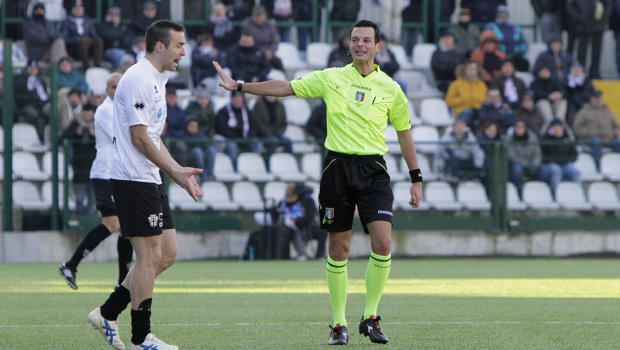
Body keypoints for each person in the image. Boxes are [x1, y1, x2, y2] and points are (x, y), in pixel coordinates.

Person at [213, 19, 423, 345]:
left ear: (378, 46)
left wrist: (416, 177)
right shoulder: (331, 77)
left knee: (382, 243)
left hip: (374, 171)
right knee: (338, 248)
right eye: (355, 40)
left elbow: (404, 134)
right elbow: (284, 87)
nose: (360, 45)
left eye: (367, 40)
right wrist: (239, 85)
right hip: (336, 168)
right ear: (348, 44)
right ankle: (339, 324)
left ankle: (370, 317)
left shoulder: (391, 89)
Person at [87, 20, 203, 350]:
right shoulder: (138, 78)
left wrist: (177, 171)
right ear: (160, 46)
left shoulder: (157, 79)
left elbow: (153, 137)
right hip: (131, 179)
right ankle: (141, 339)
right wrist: (176, 173)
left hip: (150, 177)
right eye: (179, 45)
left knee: (167, 254)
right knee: (149, 258)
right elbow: (139, 138)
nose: (184, 51)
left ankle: (108, 313)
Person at [58, 73, 134, 290]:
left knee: (124, 227)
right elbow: (123, 138)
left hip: (119, 173)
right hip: (105, 173)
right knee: (116, 224)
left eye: (118, 85)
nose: (115, 89)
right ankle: (72, 265)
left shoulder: (124, 108)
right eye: (111, 86)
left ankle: (121, 281)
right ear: (106, 89)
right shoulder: (106, 110)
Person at [272, 182, 328, 260]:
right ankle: (284, 257)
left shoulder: (307, 201)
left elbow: (309, 217)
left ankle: (320, 255)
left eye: (291, 197)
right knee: (286, 231)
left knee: (322, 231)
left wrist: (295, 222)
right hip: (289, 228)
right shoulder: (283, 203)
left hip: (306, 226)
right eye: (287, 197)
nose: (289, 199)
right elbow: (276, 216)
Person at [60, 102, 97, 216]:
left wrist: (95, 135)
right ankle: (80, 221)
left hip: (95, 169)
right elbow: (61, 139)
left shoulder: (99, 125)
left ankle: (88, 222)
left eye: (89, 115)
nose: (86, 118)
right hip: (79, 169)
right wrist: (76, 133)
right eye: (84, 115)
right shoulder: (75, 124)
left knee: (93, 199)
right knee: (79, 199)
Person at [572, 90, 620, 169]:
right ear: (592, 99)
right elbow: (577, 126)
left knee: (618, 143)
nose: (598, 100)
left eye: (600, 98)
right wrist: (588, 133)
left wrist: (613, 133)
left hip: (608, 139)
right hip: (591, 139)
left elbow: (616, 125)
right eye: (596, 98)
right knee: (596, 144)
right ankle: (597, 168)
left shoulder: (607, 110)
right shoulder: (585, 111)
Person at [215, 91, 263, 168]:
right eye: (235, 98)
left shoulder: (247, 111)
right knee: (232, 146)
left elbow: (254, 126)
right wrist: (235, 136)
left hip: (246, 138)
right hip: (231, 139)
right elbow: (221, 128)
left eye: (240, 98)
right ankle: (234, 168)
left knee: (257, 143)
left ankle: (254, 166)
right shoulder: (223, 111)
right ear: (231, 99)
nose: (237, 100)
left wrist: (248, 136)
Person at [566, 0, 612, 79]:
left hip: (598, 25)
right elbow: (570, 5)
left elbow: (608, 4)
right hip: (583, 26)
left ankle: (595, 72)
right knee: (581, 51)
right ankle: (580, 72)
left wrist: (604, 19)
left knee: (596, 51)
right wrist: (578, 18)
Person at [539, 119, 580, 198]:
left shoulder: (567, 138)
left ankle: (578, 195)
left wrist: (567, 160)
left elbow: (574, 154)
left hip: (565, 164)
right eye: (555, 127)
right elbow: (544, 155)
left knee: (576, 172)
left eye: (559, 127)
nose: (557, 129)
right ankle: (555, 196)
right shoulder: (545, 138)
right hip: (550, 164)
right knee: (556, 171)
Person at [437, 117, 485, 181]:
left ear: (465, 127)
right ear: (454, 127)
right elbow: (439, 152)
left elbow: (478, 152)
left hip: (466, 162)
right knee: (450, 155)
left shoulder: (470, 138)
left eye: (462, 125)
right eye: (457, 125)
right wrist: (441, 166)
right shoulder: (446, 138)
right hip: (452, 164)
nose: (459, 128)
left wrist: (478, 166)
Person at [60, 0, 104, 70]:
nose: (78, 10)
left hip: (88, 47)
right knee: (82, 42)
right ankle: (86, 67)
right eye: (76, 8)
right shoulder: (67, 22)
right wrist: (76, 39)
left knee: (98, 40)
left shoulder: (88, 21)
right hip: (74, 49)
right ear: (72, 9)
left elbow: (94, 36)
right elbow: (64, 38)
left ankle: (98, 65)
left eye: (80, 8)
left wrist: (88, 40)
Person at [483, 5, 529, 71]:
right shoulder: (491, 27)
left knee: (524, 64)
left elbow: (524, 42)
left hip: (515, 57)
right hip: (498, 57)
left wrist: (519, 49)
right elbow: (486, 41)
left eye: (505, 15)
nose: (503, 17)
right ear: (497, 16)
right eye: (501, 16)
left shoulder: (515, 28)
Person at [14, 61, 49, 140]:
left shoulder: (40, 81)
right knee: (33, 114)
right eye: (31, 68)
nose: (33, 70)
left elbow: (45, 97)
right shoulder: (19, 79)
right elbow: (16, 96)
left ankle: (52, 140)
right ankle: (39, 138)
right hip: (26, 106)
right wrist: (32, 97)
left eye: (35, 68)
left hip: (40, 106)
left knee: (53, 113)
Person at [241, 5, 283, 71]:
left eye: (260, 15)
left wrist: (271, 51)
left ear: (265, 15)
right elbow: (246, 41)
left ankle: (285, 79)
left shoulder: (270, 24)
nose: (258, 17)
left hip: (268, 52)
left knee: (277, 62)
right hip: (252, 52)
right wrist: (263, 52)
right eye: (256, 15)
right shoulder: (247, 24)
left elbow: (275, 41)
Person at [507, 118, 542, 197]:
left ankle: (539, 196)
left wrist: (534, 164)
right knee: (517, 169)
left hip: (532, 165)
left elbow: (537, 154)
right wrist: (525, 163)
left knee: (545, 170)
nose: (519, 129)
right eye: (517, 127)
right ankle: (518, 194)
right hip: (518, 164)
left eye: (521, 127)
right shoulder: (509, 139)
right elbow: (512, 156)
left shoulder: (532, 138)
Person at [252, 95, 293, 161]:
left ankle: (287, 162)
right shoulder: (259, 105)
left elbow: (284, 123)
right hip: (263, 135)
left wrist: (279, 133)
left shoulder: (280, 105)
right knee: (272, 141)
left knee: (288, 142)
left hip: (277, 135)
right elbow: (257, 123)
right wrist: (268, 132)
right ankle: (268, 163)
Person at [564, 62, 595, 126]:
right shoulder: (567, 81)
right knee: (572, 116)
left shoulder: (587, 81)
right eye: (575, 70)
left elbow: (590, 94)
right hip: (571, 106)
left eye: (578, 70)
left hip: (585, 104)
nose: (576, 71)